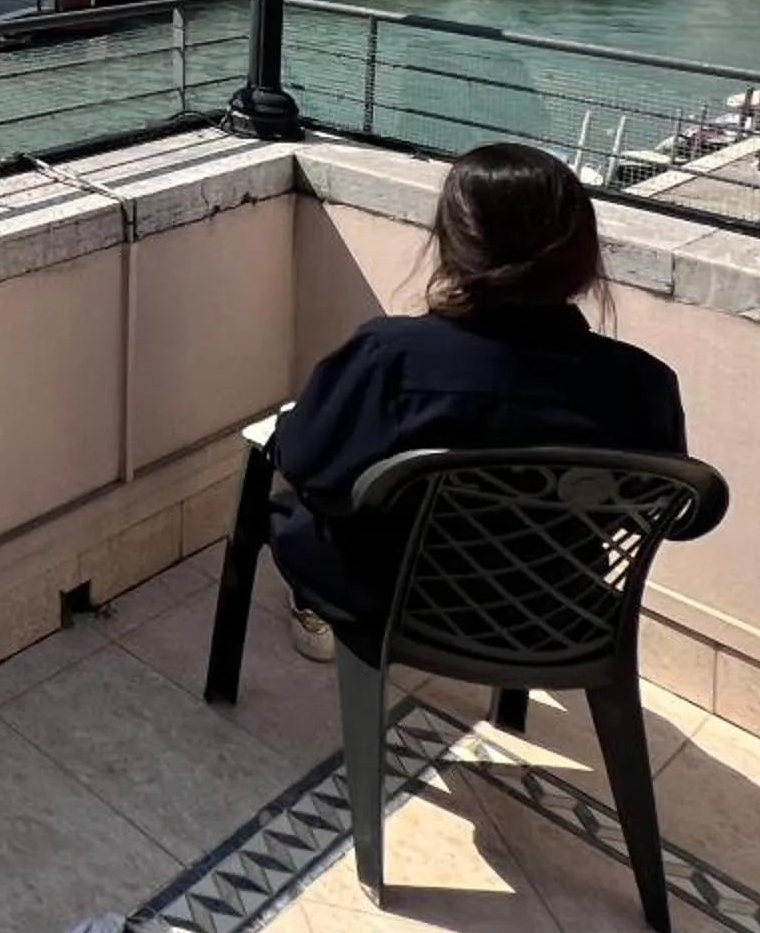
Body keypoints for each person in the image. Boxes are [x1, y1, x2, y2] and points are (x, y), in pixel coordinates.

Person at [268, 142, 685, 662]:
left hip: (397, 604)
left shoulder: (391, 358)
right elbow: (671, 514)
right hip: (556, 614)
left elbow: (304, 461)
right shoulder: (644, 385)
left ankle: (313, 613)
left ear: (452, 244)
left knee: (291, 502)